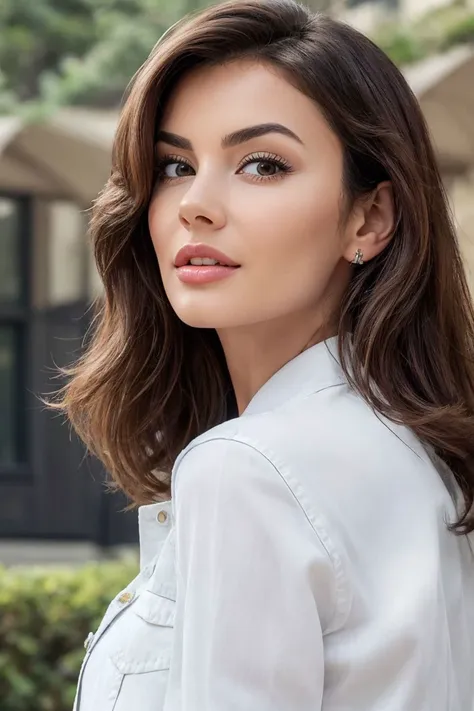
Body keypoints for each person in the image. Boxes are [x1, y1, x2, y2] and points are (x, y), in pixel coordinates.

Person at [57, 0, 474, 708]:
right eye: (173, 164)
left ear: (369, 217)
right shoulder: (429, 458)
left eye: (262, 164)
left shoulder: (245, 471)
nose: (196, 203)